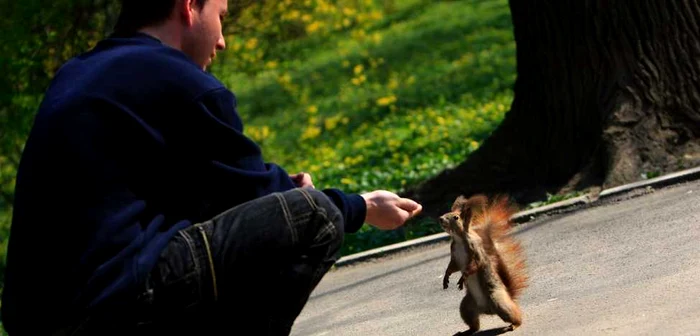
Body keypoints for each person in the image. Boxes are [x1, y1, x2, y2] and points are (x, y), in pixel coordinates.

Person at [0, 0, 422, 335]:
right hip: (106, 310)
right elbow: (260, 199)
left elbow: (215, 191)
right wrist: (357, 206)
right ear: (188, 7)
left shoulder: (83, 71)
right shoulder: (174, 77)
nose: (222, 41)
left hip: (39, 320)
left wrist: (277, 193)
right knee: (315, 216)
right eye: (220, 16)